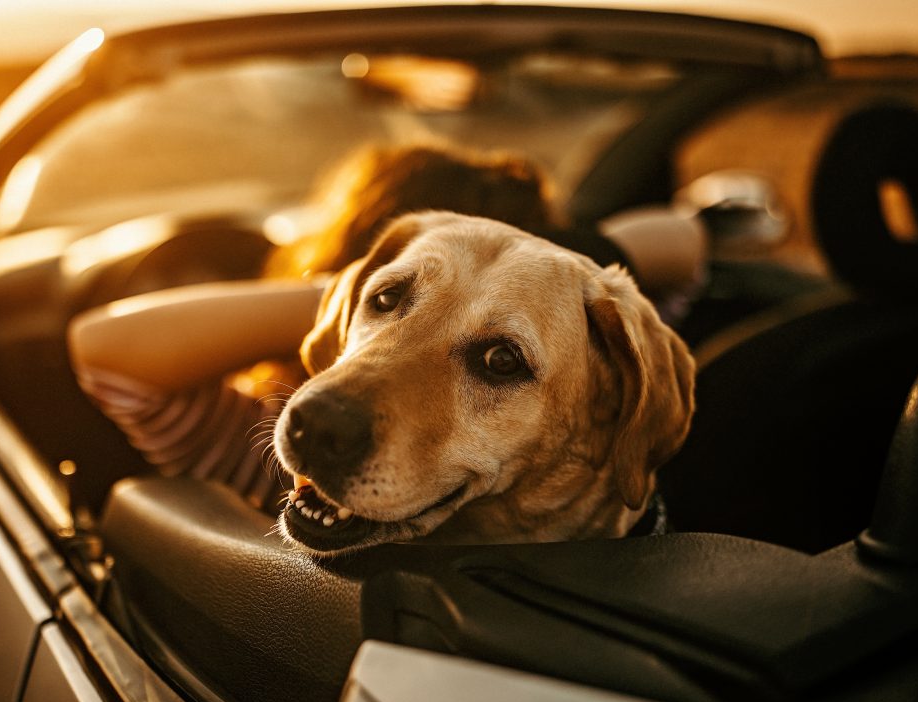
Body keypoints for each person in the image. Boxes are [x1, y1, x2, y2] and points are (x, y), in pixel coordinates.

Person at [68, 143, 706, 513]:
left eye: (499, 361)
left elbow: (685, 245)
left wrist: (537, 272)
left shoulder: (603, 348)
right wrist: (358, 285)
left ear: (607, 409)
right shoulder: (256, 441)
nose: (322, 413)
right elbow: (682, 244)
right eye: (388, 298)